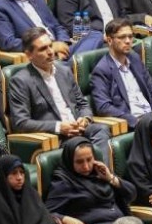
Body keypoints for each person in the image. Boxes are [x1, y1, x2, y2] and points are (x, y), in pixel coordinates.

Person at [8, 27, 110, 157]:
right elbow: (21, 123)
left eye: (50, 46)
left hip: (79, 128)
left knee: (101, 129)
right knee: (80, 145)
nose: (50, 52)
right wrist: (58, 127)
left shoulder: (64, 71)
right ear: (29, 55)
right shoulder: (20, 81)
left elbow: (82, 104)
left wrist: (84, 119)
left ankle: (101, 169)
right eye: (43, 49)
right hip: (56, 138)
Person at [44, 138, 135, 224]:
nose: (86, 166)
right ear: (70, 161)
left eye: (89, 159)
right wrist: (64, 219)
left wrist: (110, 178)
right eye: (79, 162)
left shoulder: (100, 173)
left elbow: (132, 194)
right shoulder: (63, 182)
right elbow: (45, 214)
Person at [89, 18, 152, 129]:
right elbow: (104, 107)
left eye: (130, 36)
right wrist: (137, 122)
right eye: (122, 37)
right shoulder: (102, 70)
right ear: (109, 40)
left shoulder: (135, 59)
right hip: (134, 125)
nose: (128, 41)